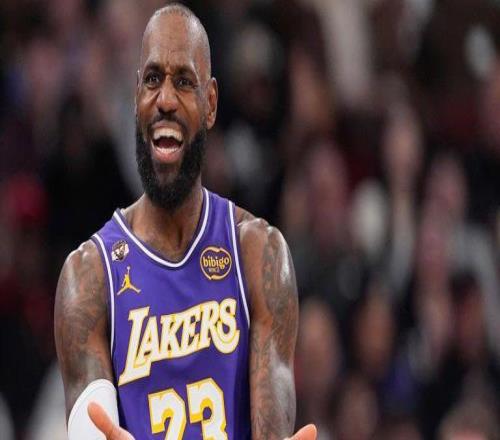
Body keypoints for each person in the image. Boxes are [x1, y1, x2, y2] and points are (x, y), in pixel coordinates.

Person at [54, 3, 316, 439]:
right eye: (152, 79)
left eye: (183, 81)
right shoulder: (88, 278)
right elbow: (92, 432)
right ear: (136, 97)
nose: (165, 100)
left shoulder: (259, 254)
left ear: (210, 104)